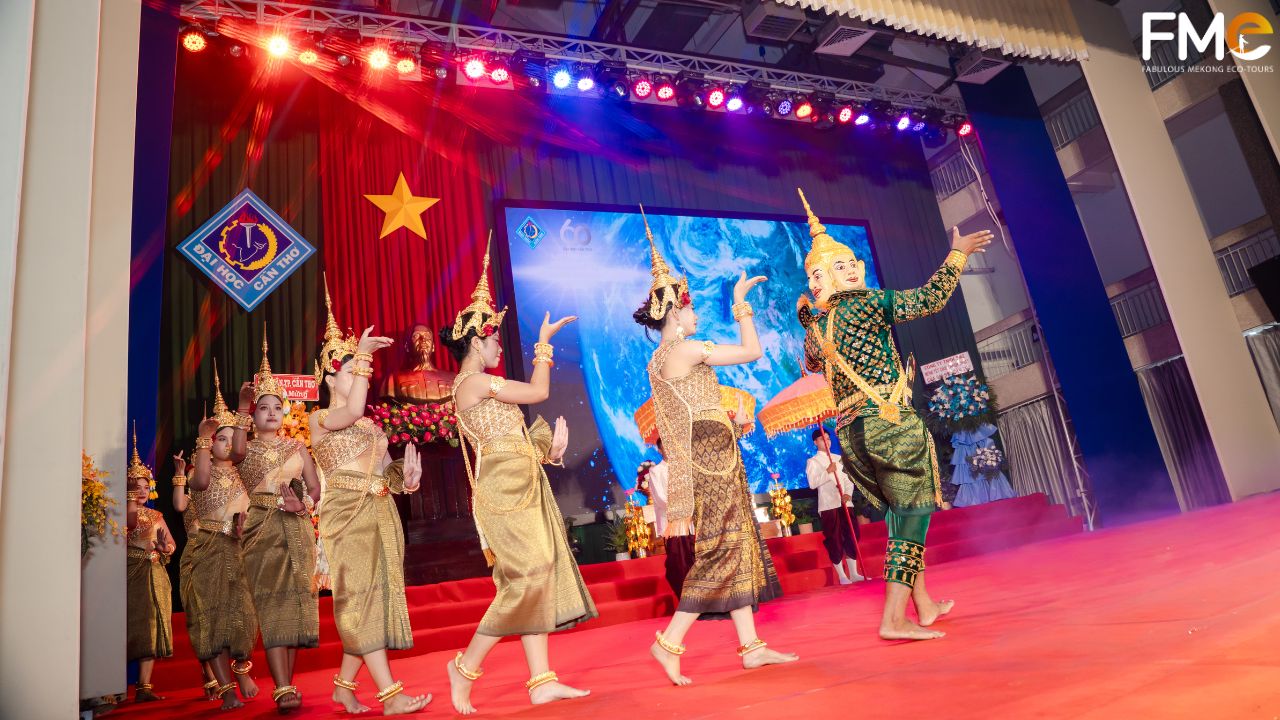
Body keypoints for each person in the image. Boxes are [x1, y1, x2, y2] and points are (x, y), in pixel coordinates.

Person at [794, 188, 992, 641]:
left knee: (899, 517)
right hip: (886, 421)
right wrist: (957, 256)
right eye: (844, 268)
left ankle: (922, 605)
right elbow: (929, 300)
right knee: (915, 511)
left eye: (848, 266)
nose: (851, 272)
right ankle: (892, 618)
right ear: (838, 275)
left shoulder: (817, 327)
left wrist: (810, 318)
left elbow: (811, 363)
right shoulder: (864, 303)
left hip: (853, 434)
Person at [634, 208, 796, 687]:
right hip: (710, 457)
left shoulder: (661, 358)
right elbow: (752, 352)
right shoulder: (682, 349)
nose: (694, 312)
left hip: (712, 451)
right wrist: (740, 302)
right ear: (674, 312)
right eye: (689, 305)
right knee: (720, 553)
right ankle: (668, 642)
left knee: (736, 542)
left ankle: (750, 646)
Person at [441, 240, 597, 715]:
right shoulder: (473, 383)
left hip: (522, 478)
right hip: (503, 488)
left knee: (538, 574)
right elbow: (540, 389)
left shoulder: (483, 387)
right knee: (523, 579)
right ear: (474, 341)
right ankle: (465, 667)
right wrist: (545, 341)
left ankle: (541, 679)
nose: (496, 347)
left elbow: (515, 434)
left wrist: (548, 450)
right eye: (491, 339)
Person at [309, 280, 431, 715]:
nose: (359, 376)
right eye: (348, 371)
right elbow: (353, 409)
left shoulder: (371, 427)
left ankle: (344, 686)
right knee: (360, 596)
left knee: (373, 597)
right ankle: (391, 696)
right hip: (346, 514)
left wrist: (407, 479)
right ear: (329, 376)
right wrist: (362, 355)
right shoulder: (321, 419)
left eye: (359, 371)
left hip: (380, 511)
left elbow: (384, 474)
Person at [235, 329, 323, 712]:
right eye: (262, 407)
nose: (271, 412)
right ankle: (282, 687)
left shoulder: (297, 446)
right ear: (253, 415)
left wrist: (301, 506)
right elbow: (235, 449)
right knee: (272, 604)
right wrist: (239, 410)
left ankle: (290, 682)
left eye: (276, 407)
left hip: (297, 528)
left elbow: (315, 489)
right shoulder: (246, 448)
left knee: (298, 604)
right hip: (262, 530)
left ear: (285, 412)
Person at [178, 369, 262, 710]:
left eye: (231, 439)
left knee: (242, 616)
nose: (227, 444)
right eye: (220, 439)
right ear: (210, 445)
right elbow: (197, 484)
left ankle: (241, 668)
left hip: (241, 549)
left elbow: (243, 449)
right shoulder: (200, 471)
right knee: (211, 619)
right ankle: (226, 689)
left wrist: (244, 407)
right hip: (208, 549)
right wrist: (202, 438)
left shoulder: (243, 470)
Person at [125, 427, 176, 703]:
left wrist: (162, 548)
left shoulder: (156, 514)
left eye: (145, 486)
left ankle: (144, 686)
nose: (142, 490)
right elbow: (130, 525)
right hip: (130, 575)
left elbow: (172, 545)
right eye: (135, 485)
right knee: (131, 625)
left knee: (151, 626)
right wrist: (130, 500)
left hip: (155, 573)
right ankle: (111, 685)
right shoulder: (120, 511)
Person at [805, 428, 864, 585]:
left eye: (829, 438)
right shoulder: (813, 461)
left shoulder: (839, 458)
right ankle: (842, 575)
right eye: (823, 439)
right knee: (834, 538)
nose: (827, 441)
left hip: (845, 502)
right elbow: (812, 484)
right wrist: (827, 472)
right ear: (815, 442)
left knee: (852, 535)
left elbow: (847, 480)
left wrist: (848, 494)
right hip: (828, 505)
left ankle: (854, 573)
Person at [380, 323, 456, 403]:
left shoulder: (453, 378)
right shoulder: (392, 380)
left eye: (428, 336)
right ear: (407, 347)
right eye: (416, 336)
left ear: (433, 347)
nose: (423, 339)